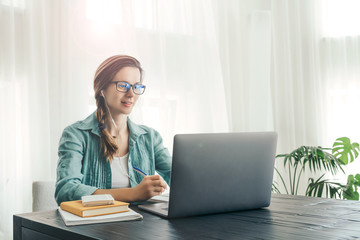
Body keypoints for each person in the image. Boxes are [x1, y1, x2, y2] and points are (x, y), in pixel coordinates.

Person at [55, 55, 171, 205]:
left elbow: (181, 179)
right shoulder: (76, 135)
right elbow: (65, 191)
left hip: (142, 225)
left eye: (136, 86)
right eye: (123, 85)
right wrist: (134, 193)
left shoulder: (150, 137)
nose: (131, 94)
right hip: (93, 226)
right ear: (102, 88)